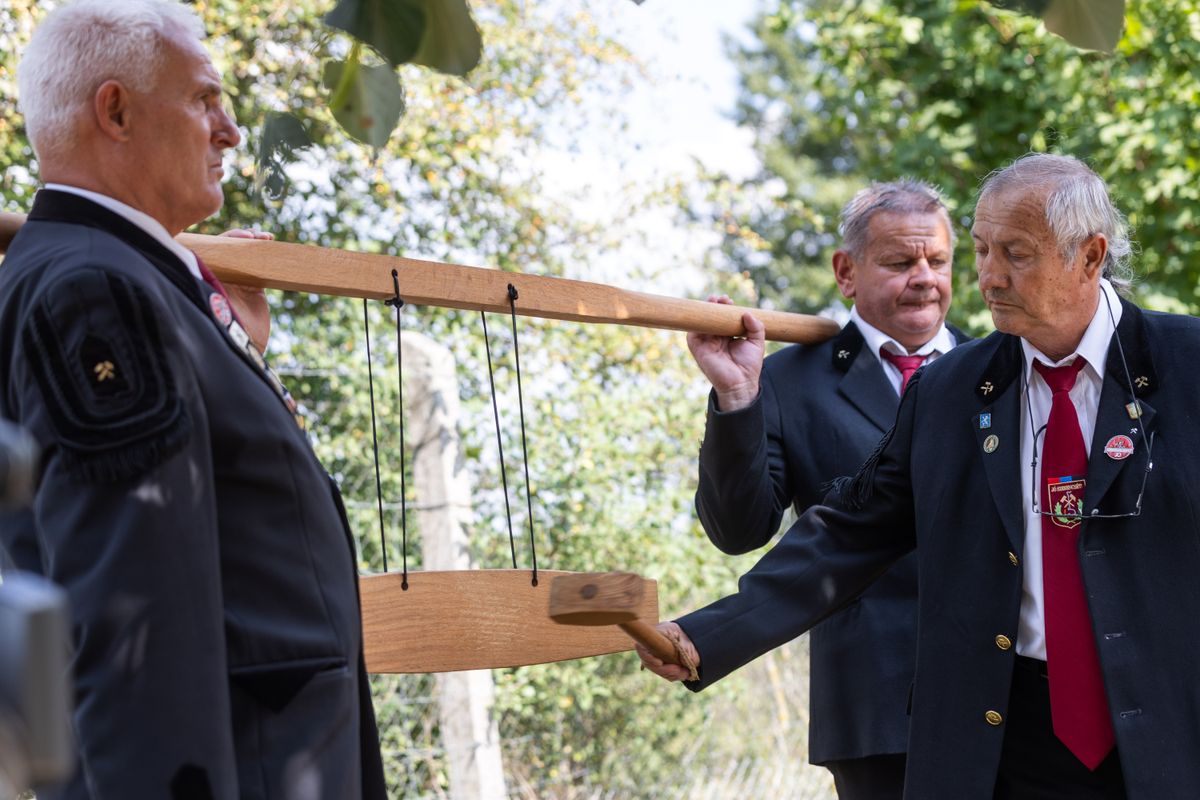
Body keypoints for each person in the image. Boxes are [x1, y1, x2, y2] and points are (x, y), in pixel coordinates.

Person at [641, 153, 1196, 800]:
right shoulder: (951, 390)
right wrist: (707, 635)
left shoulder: (1188, 368)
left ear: (1090, 257)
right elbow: (849, 534)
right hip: (1000, 742)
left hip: (1166, 729)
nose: (988, 276)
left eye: (1014, 254)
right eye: (984, 250)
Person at [0, 2, 386, 797]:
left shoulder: (122, 280)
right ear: (116, 111)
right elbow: (137, 632)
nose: (231, 130)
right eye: (206, 98)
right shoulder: (96, 291)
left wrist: (233, 347)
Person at [687, 180, 966, 800]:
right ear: (847, 272)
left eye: (939, 261)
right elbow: (738, 531)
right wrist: (737, 398)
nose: (924, 278)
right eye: (899, 263)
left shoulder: (998, 369)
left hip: (1006, 698)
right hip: (876, 708)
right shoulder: (784, 380)